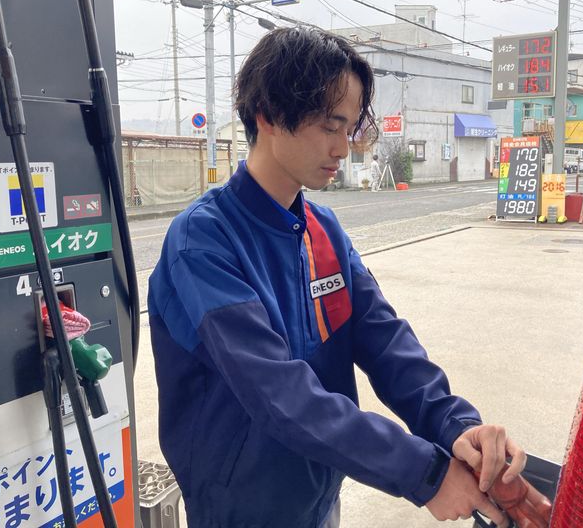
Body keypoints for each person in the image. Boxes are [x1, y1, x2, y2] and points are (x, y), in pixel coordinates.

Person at [148, 27, 526, 528]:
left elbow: (385, 341)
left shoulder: (322, 230)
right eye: (330, 126)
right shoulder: (204, 240)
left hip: (320, 496)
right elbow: (278, 394)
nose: (343, 149)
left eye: (348, 129)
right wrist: (426, 474)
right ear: (268, 115)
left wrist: (453, 424)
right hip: (240, 511)